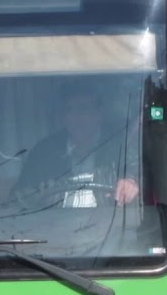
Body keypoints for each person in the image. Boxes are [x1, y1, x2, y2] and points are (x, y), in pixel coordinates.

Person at [10, 89, 141, 208]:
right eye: (69, 110)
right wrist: (40, 197)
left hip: (111, 224)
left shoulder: (120, 145)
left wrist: (130, 182)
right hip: (55, 224)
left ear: (99, 113)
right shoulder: (44, 152)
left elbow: (138, 172)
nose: (76, 117)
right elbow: (20, 197)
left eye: (83, 109)